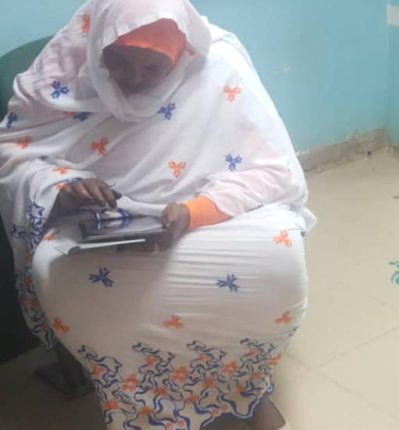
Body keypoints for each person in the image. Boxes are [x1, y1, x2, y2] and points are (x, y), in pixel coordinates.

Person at [0, 1, 314, 429]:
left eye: (153, 68)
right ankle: (140, 402)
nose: (134, 79)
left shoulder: (217, 65)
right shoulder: (64, 74)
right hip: (105, 222)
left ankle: (243, 385)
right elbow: (14, 155)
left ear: (183, 52)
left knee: (276, 260)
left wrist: (193, 212)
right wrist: (62, 187)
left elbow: (273, 169)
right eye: (119, 62)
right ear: (98, 44)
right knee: (56, 272)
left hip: (211, 210)